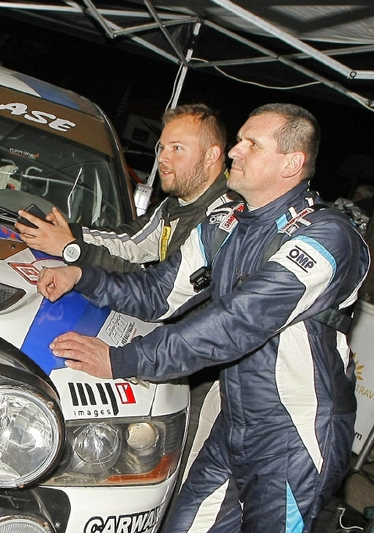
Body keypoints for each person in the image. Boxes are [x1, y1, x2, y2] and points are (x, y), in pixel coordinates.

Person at [37, 103, 370, 532]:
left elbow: (235, 323)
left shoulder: (328, 236)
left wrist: (121, 359)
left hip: (295, 438)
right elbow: (159, 293)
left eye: (252, 144)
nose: (234, 151)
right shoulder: (226, 221)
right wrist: (84, 276)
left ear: (291, 163)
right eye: (239, 140)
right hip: (234, 427)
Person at [15, 103, 234, 273]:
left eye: (177, 148)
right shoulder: (175, 204)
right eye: (162, 148)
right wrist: (70, 233)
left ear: (211, 155)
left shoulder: (225, 220)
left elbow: (160, 289)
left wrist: (73, 249)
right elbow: (132, 242)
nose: (162, 158)